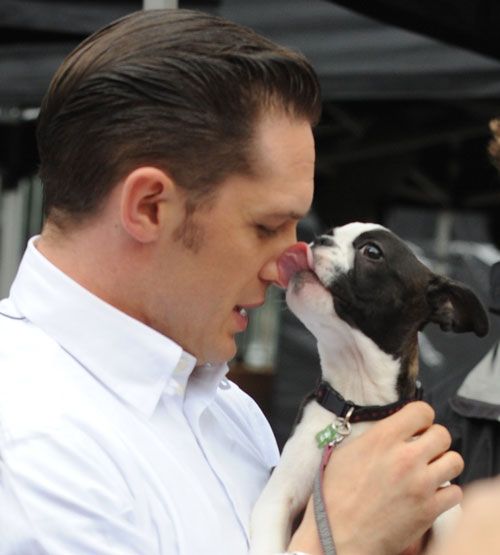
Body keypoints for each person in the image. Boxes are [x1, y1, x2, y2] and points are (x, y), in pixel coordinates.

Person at [0, 8, 463, 555]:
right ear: (150, 207)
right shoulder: (29, 440)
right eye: (266, 226)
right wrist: (341, 539)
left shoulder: (224, 407)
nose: (290, 260)